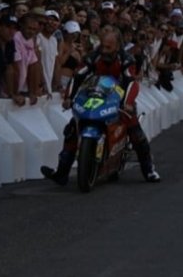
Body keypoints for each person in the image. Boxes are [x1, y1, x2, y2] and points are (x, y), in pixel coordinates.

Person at [41, 27, 160, 184]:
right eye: (102, 46)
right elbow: (78, 76)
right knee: (72, 130)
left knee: (136, 133)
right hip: (96, 98)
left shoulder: (127, 60)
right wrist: (69, 98)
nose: (104, 50)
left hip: (120, 102)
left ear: (117, 46)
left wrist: (128, 103)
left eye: (108, 47)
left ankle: (149, 170)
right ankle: (62, 172)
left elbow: (131, 83)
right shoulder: (93, 57)